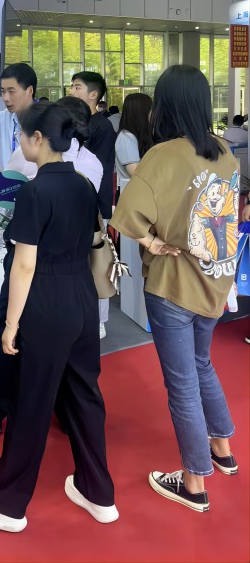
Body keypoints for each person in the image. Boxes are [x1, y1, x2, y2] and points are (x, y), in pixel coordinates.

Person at [0, 103, 118, 531]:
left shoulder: (34, 191)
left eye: (21, 135)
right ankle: (98, 492)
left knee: (31, 401)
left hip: (45, 303)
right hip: (82, 298)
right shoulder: (83, 184)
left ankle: (5, 503)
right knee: (85, 396)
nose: (19, 141)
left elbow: (25, 265)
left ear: (38, 139)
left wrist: (11, 324)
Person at [111, 65, 239, 513]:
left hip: (173, 284)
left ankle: (194, 483)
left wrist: (151, 243)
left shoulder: (162, 155)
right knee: (202, 364)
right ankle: (223, 450)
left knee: (182, 382)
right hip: (215, 280)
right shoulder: (224, 151)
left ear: (164, 105)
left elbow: (126, 217)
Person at [0, 97, 102, 435]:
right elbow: (91, 229)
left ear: (43, 134)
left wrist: (11, 322)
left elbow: (24, 262)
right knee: (73, 359)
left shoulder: (41, 177)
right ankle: (70, 417)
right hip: (76, 275)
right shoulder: (90, 169)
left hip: (33, 267)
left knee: (13, 344)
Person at [70, 72, 116, 338]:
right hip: (74, 202)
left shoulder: (102, 126)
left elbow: (96, 169)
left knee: (98, 261)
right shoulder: (74, 123)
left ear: (93, 94)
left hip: (95, 204)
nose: (72, 90)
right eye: (72, 86)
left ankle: (99, 320)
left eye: (77, 87)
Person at [114, 93, 153, 326]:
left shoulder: (139, 136)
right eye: (150, 109)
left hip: (141, 197)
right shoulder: (126, 137)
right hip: (131, 198)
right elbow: (134, 171)